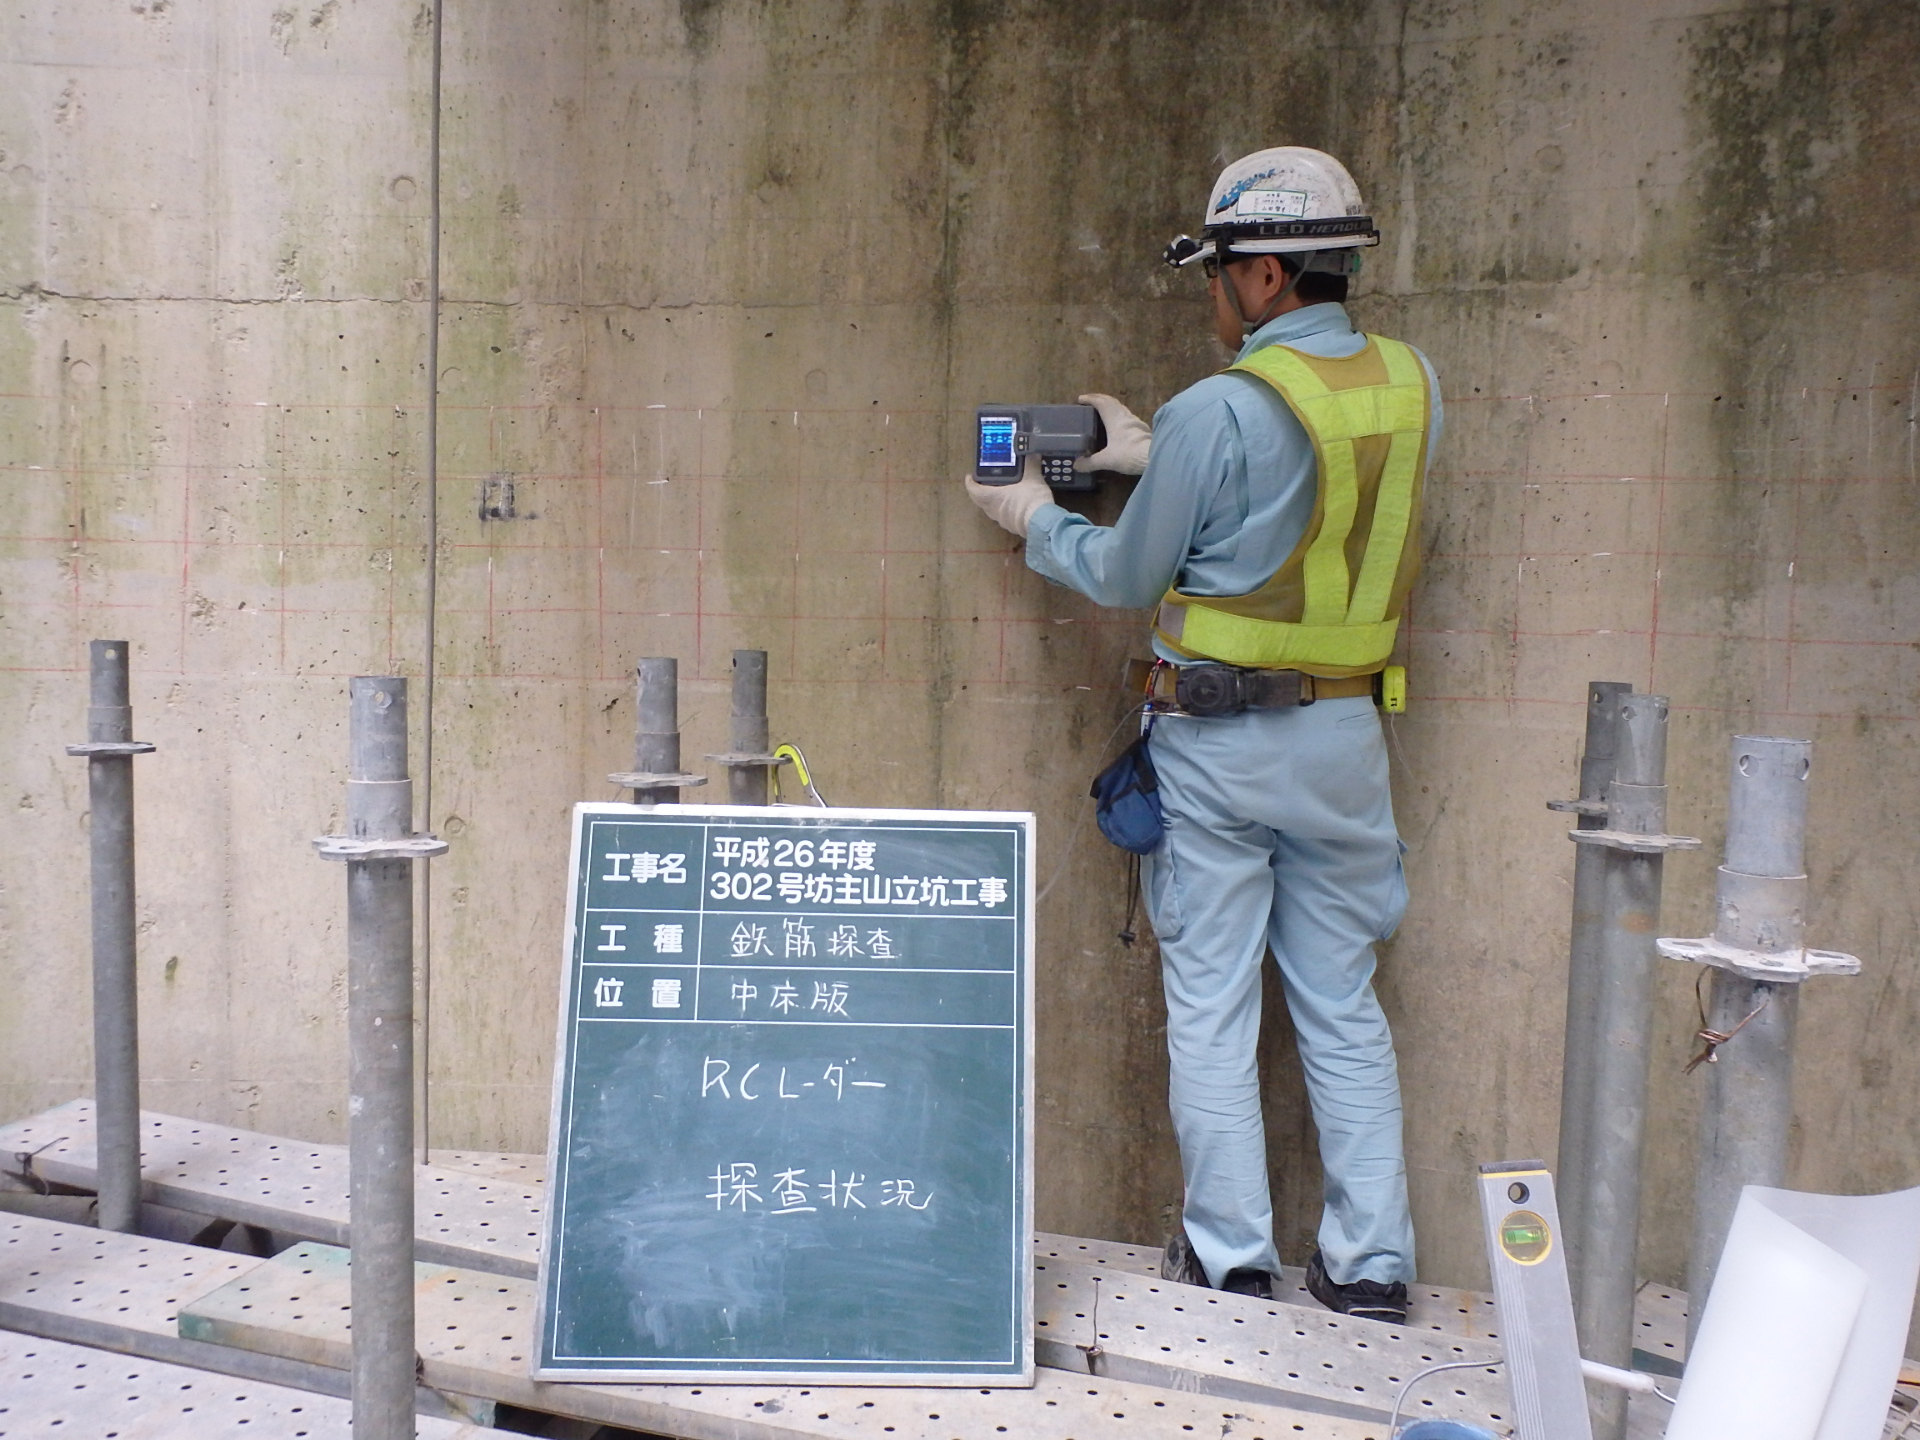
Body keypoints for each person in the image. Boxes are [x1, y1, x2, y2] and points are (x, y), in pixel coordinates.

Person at [964, 147, 1440, 1323]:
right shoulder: (1412, 382)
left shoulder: (1216, 408)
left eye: (1219, 274)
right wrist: (1149, 451)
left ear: (1267, 273)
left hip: (1223, 752)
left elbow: (1132, 570)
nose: (1213, 296)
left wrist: (1032, 514)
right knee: (1341, 1001)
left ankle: (1230, 1257)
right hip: (1346, 748)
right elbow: (1311, 502)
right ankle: (1369, 1265)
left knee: (1215, 1002)